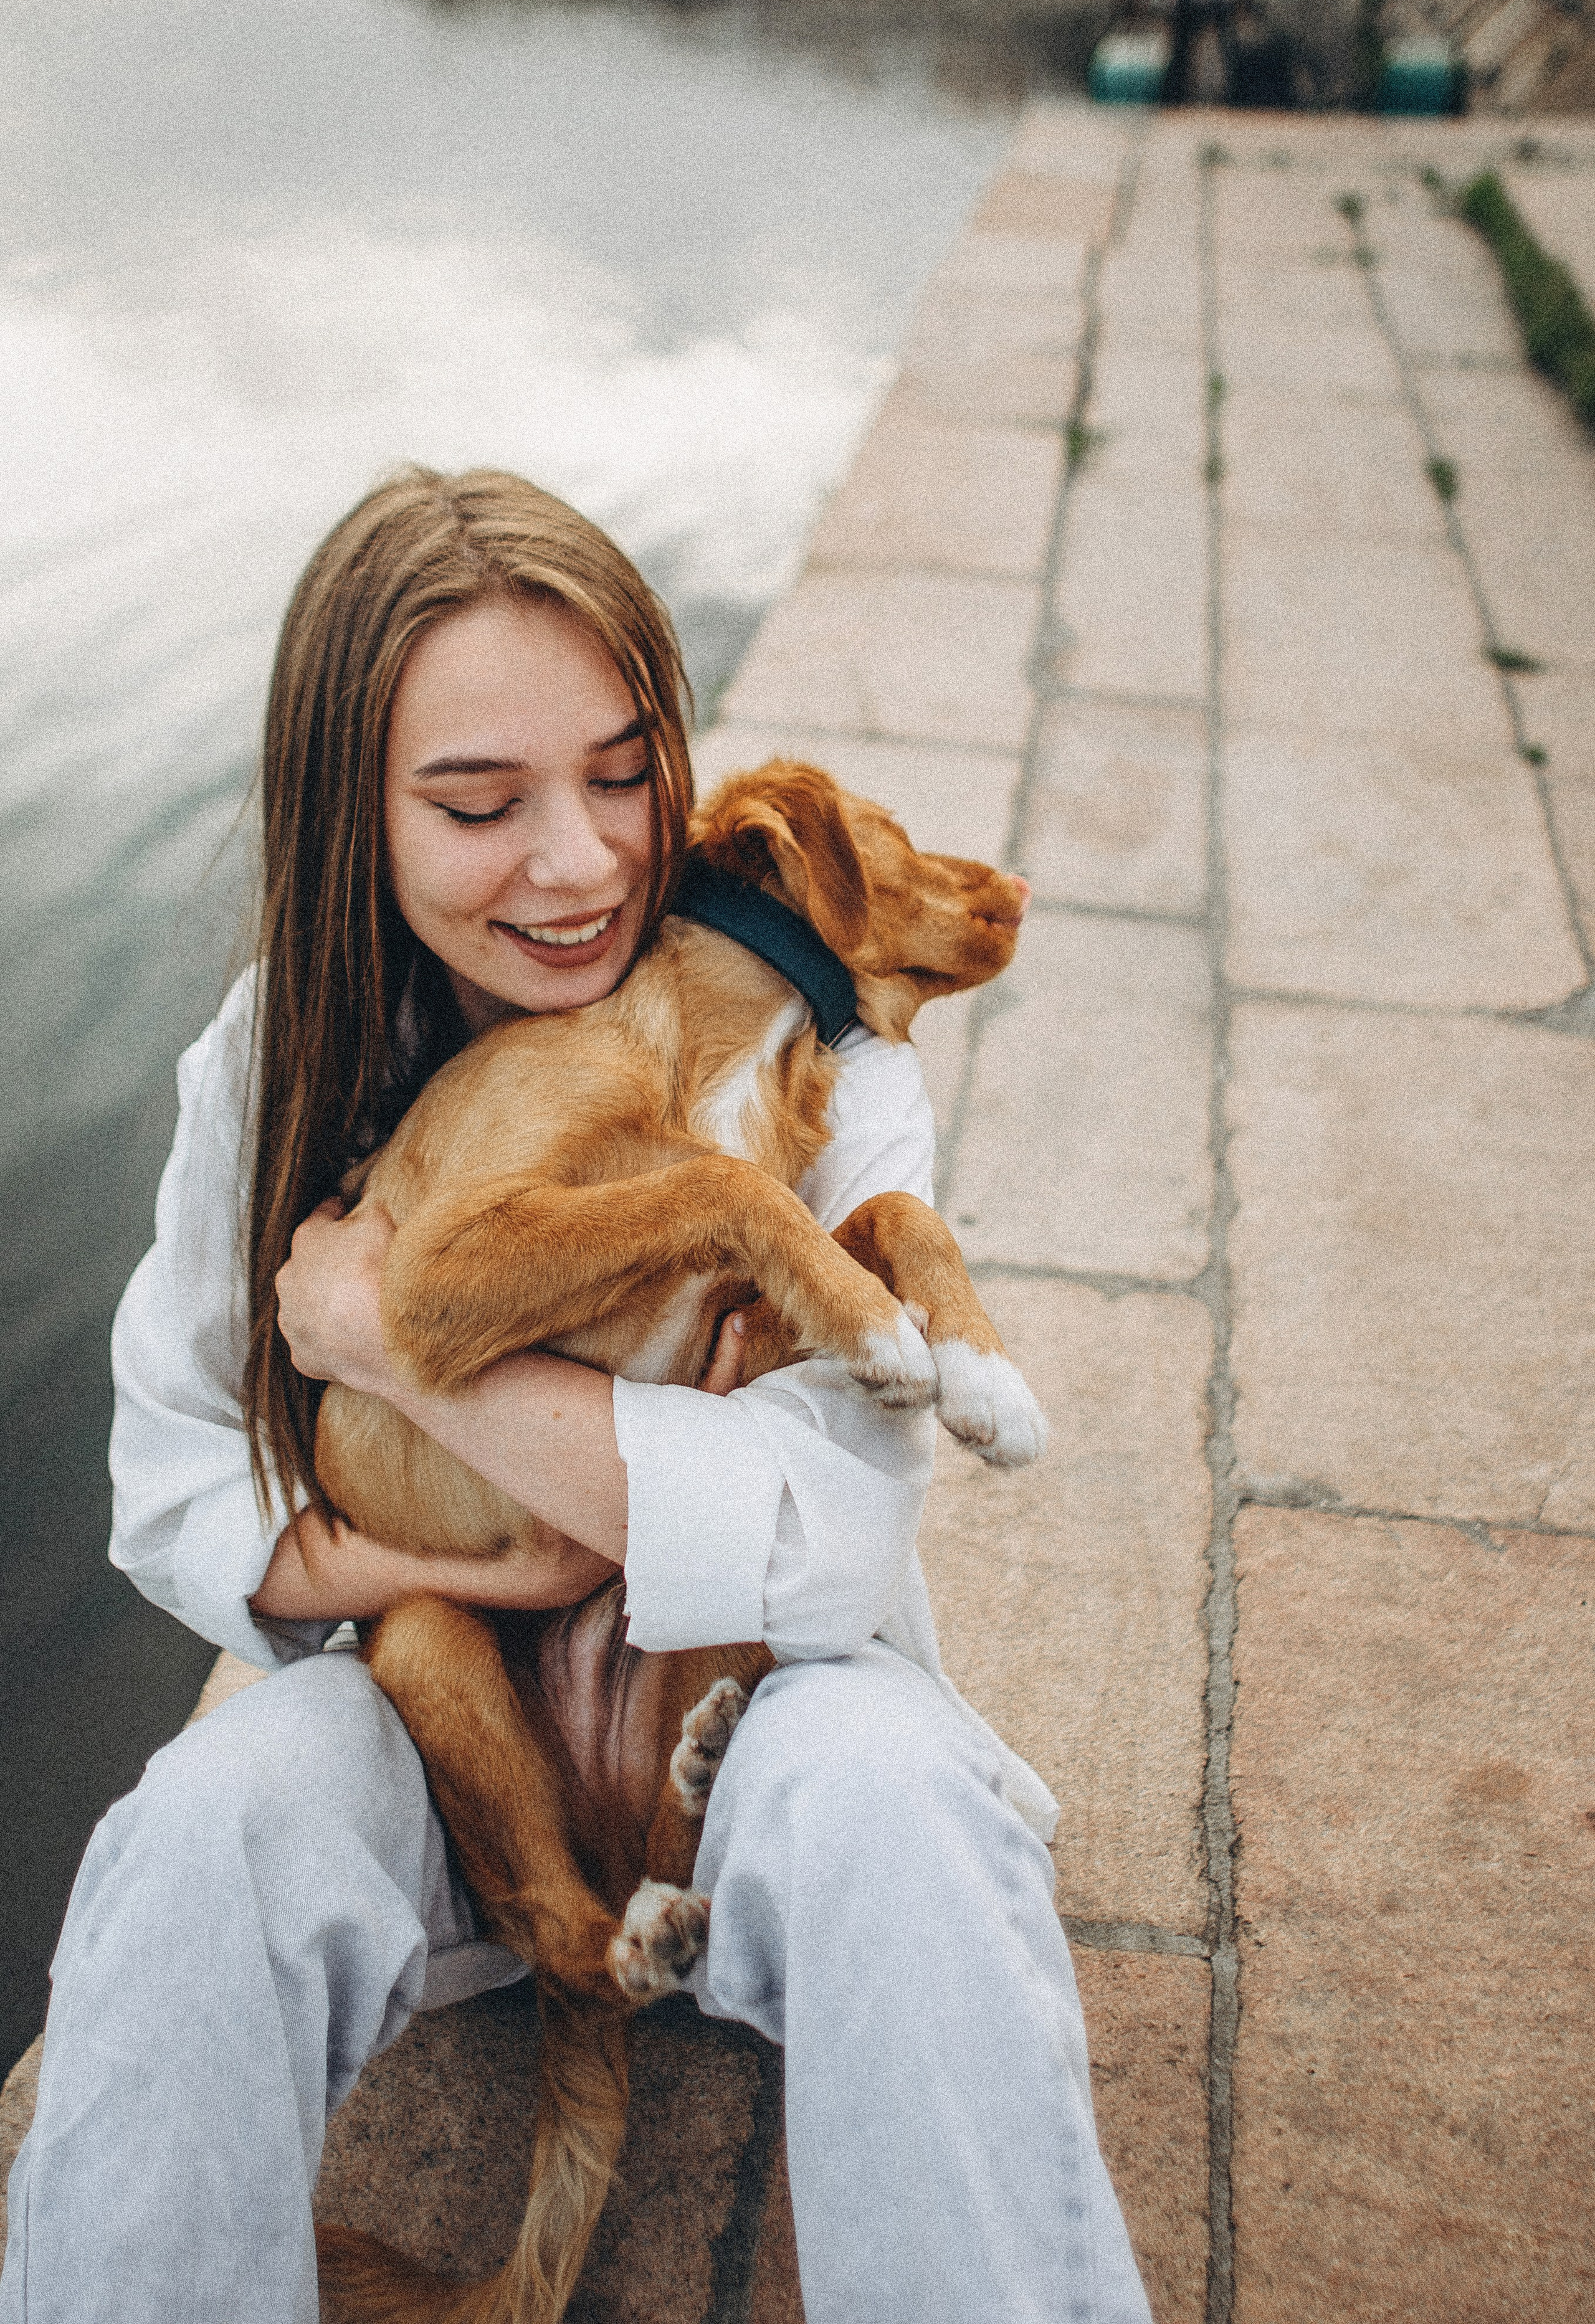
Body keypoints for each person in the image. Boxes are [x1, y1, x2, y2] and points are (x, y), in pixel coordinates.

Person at [0, 468, 1151, 2324]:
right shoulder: (280, 1051)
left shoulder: (807, 1046)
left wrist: (389, 1348)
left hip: (755, 1718)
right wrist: (479, 1572)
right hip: (442, 1744)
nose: (584, 860)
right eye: (477, 803)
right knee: (193, 1837)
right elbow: (170, 1477)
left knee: (913, 1825)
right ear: (351, 818)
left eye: (626, 774)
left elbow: (824, 1551)